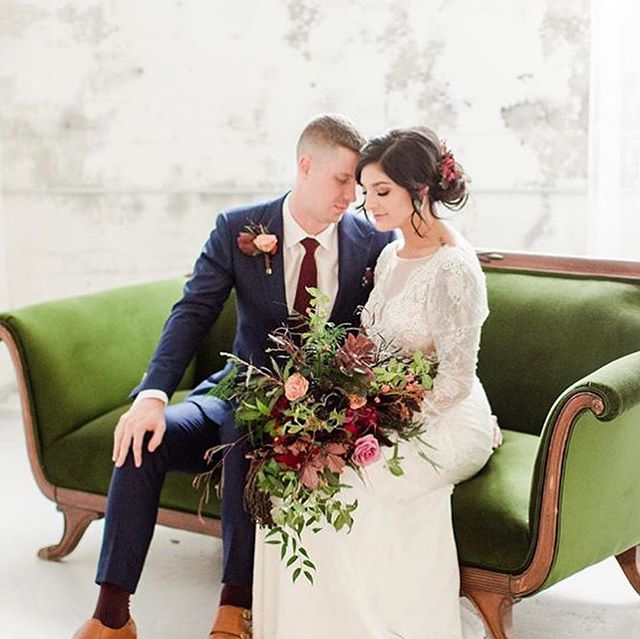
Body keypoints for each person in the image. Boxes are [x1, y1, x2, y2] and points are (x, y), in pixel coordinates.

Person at [71, 114, 394, 639]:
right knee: (142, 441)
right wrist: (151, 396)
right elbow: (193, 311)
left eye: (357, 185)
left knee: (245, 433)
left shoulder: (373, 242)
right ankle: (112, 616)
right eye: (341, 180)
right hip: (231, 389)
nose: (350, 196)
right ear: (304, 166)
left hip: (315, 410)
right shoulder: (240, 228)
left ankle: (234, 609)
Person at [252, 127, 500, 639]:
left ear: (421, 188)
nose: (370, 205)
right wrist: (343, 412)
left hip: (446, 419)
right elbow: (370, 348)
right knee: (292, 475)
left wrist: (384, 423)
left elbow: (455, 380)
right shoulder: (390, 255)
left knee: (353, 482)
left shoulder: (454, 268)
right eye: (366, 193)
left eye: (382, 191)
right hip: (391, 407)